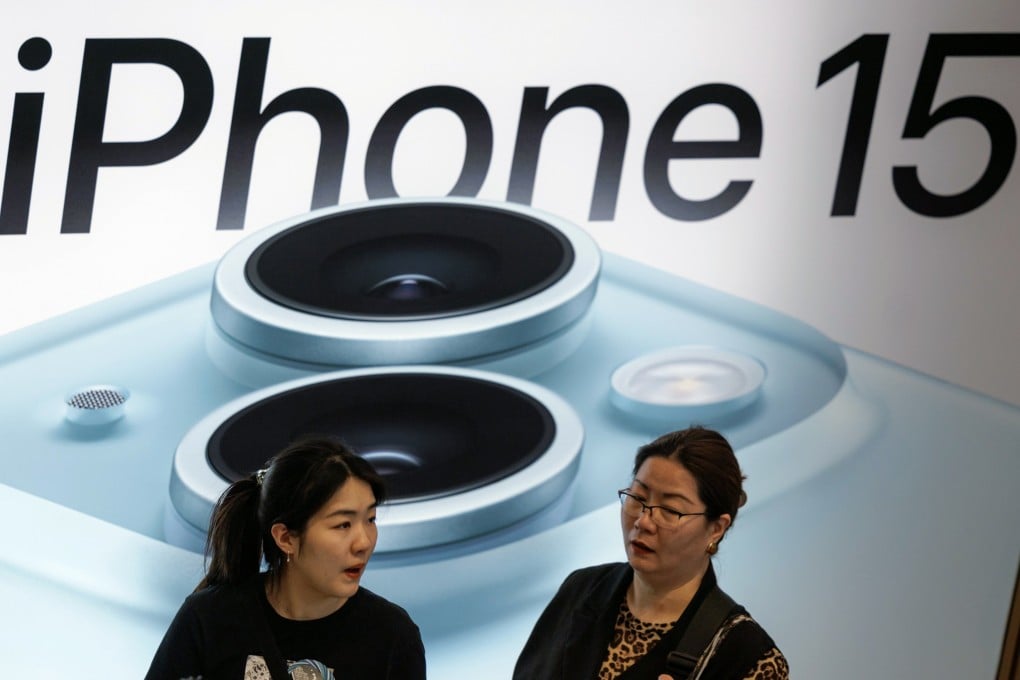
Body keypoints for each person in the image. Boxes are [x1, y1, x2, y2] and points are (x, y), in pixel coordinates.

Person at [513, 426, 788, 680]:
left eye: (670, 510)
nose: (643, 521)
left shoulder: (750, 656)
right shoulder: (582, 589)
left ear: (716, 528)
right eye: (637, 498)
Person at [146, 437, 426, 680]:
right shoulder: (207, 619)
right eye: (343, 525)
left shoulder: (392, 637)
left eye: (370, 519)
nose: (364, 542)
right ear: (286, 538)